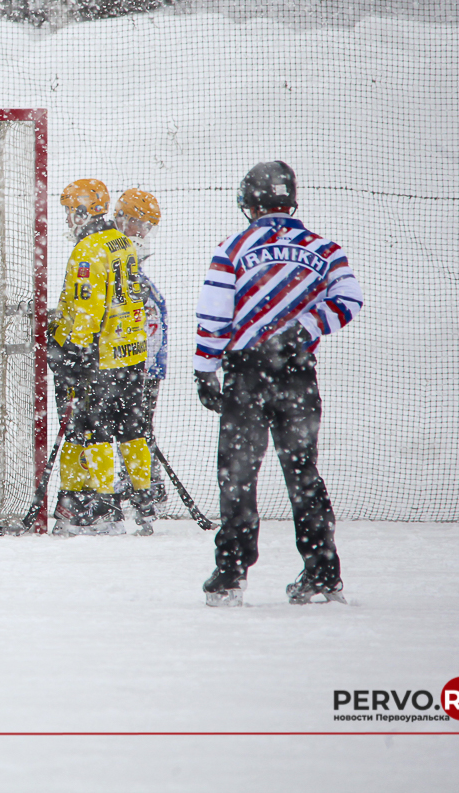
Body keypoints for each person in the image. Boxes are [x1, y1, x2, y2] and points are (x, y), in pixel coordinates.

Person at [195, 160, 364, 607]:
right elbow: (349, 298)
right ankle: (323, 574)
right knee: (303, 473)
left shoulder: (232, 247)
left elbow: (213, 314)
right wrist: (307, 326)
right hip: (297, 376)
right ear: (291, 200)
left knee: (238, 476)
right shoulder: (324, 249)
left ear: (249, 203)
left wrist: (205, 368)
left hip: (246, 376)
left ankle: (231, 573)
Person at [48, 179, 151, 537]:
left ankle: (104, 508)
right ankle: (143, 502)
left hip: (100, 357)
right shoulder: (122, 242)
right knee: (132, 429)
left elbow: (88, 308)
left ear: (81, 210)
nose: (66, 219)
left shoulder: (88, 250)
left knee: (93, 431)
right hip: (131, 353)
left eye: (68, 211)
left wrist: (74, 351)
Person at [113, 188, 169, 518]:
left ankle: (146, 485)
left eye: (147, 226)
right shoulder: (112, 253)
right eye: (138, 224)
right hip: (124, 362)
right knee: (127, 426)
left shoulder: (140, 276)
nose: (143, 233)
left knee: (139, 427)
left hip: (145, 365)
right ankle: (139, 484)